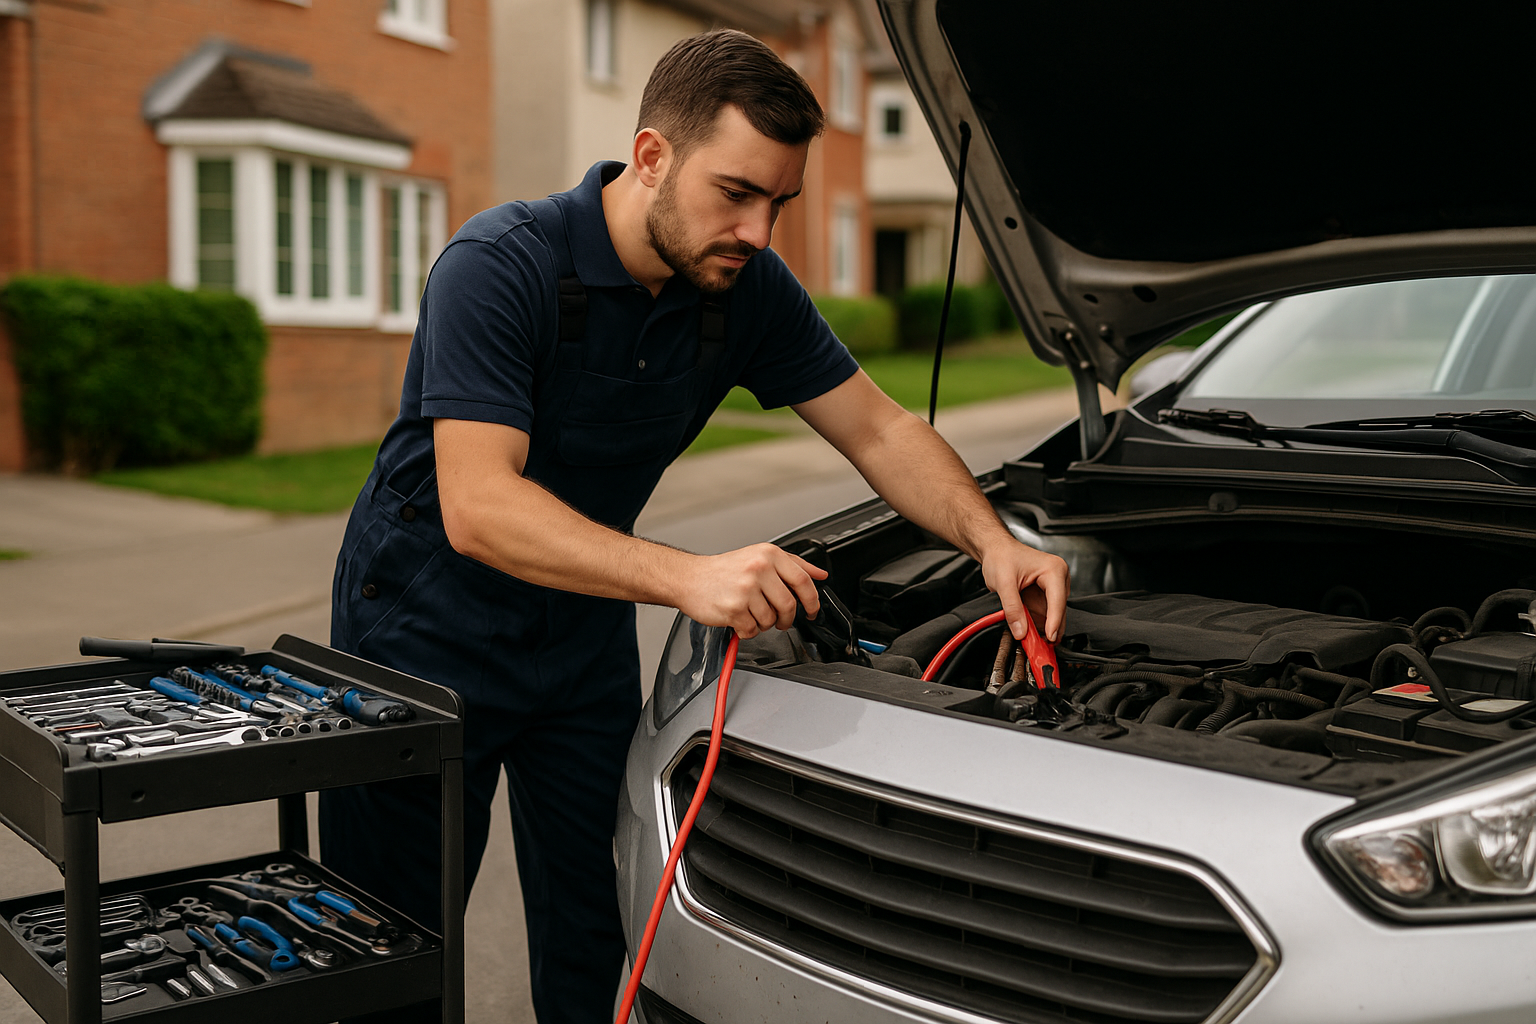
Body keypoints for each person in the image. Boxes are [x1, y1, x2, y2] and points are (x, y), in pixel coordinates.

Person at [321, 28, 1070, 1024]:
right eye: (736, 193)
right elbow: (480, 505)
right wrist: (690, 576)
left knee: (601, 924)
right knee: (397, 949)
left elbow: (881, 428)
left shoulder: (745, 287)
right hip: (420, 634)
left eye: (779, 203)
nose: (758, 231)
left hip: (578, 632)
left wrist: (994, 541)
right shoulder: (500, 264)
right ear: (650, 156)